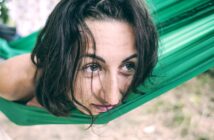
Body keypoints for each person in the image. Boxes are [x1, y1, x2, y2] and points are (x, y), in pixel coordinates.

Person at [0, 0, 158, 117]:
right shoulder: (10, 81)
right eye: (93, 67)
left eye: (128, 66)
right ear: (59, 61)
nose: (113, 98)